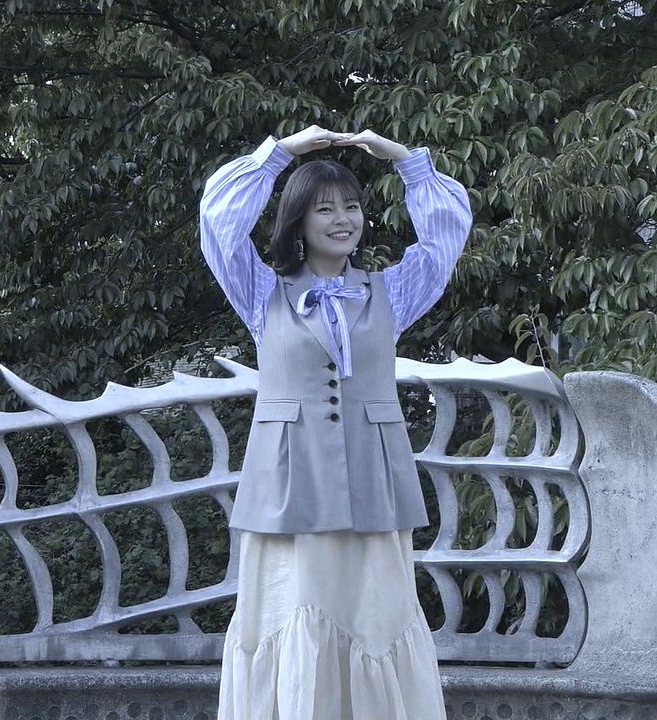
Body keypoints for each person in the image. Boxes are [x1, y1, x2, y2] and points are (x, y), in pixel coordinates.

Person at [199, 124, 473, 719]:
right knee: (291, 609)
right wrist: (281, 153)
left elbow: (444, 239)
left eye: (350, 206)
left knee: (376, 617)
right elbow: (218, 222)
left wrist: (406, 161)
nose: (342, 219)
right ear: (298, 222)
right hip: (289, 483)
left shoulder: (391, 292)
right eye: (324, 209)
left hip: (373, 481)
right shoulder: (261, 292)